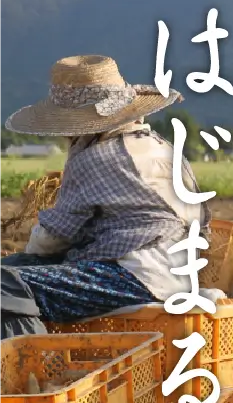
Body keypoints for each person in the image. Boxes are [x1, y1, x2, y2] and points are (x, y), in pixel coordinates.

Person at [1, 55, 217, 340]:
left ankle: (31, 368)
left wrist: (24, 263)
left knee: (7, 286)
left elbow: (54, 238)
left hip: (134, 277)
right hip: (179, 273)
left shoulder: (94, 157)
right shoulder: (163, 148)